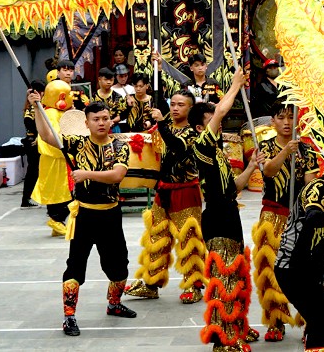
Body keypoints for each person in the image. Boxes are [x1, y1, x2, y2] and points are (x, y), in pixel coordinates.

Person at [29, 96, 137, 336]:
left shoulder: (120, 145)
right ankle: (69, 317)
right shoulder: (77, 143)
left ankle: (114, 304)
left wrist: (86, 174)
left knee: (119, 266)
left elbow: (117, 175)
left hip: (111, 215)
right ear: (86, 123)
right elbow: (47, 136)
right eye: (96, 119)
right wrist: (37, 107)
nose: (101, 123)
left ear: (111, 121)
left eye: (105, 118)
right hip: (84, 216)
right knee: (75, 266)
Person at [191, 70, 262, 352]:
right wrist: (234, 86)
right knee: (224, 278)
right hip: (217, 218)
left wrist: (252, 166)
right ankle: (222, 339)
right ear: (201, 129)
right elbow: (220, 111)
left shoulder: (218, 153)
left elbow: (234, 186)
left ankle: (236, 326)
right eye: (212, 122)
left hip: (230, 213)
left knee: (237, 275)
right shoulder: (202, 146)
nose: (218, 124)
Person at [124, 92, 206, 303]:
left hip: (185, 190)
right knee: (157, 237)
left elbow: (178, 147)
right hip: (164, 189)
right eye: (174, 104)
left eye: (182, 105)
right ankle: (151, 283)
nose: (176, 108)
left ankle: (194, 285)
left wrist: (161, 124)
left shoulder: (193, 132)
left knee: (189, 239)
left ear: (190, 109)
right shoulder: (163, 126)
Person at [254, 104, 319, 340]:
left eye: (291, 117)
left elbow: (310, 184)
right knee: (270, 270)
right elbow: (269, 171)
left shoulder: (307, 150)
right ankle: (276, 320)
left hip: (298, 217)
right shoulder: (265, 146)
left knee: (303, 271)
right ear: (273, 122)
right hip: (272, 216)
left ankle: (310, 320)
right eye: (281, 117)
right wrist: (285, 153)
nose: (286, 122)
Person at [275, 163, 324, 352]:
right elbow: (312, 216)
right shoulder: (319, 187)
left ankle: (311, 340)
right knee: (323, 322)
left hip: (311, 268)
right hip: (293, 267)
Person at [30, 81, 76, 236]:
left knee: (62, 190)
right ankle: (56, 219)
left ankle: (58, 221)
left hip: (58, 160)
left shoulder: (58, 113)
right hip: (56, 159)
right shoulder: (50, 114)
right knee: (60, 191)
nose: (72, 97)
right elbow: (56, 138)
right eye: (68, 94)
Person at [19, 81, 45, 208]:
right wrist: (38, 135)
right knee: (33, 172)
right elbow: (29, 124)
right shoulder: (31, 109)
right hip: (33, 143)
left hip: (40, 141)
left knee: (37, 171)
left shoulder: (41, 107)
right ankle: (26, 198)